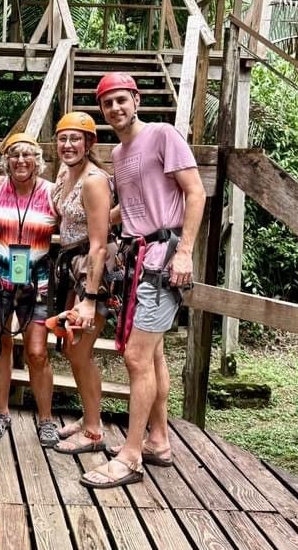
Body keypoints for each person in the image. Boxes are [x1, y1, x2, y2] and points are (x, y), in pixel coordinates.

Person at [80, 72, 205, 489]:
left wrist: (184, 251)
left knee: (135, 357)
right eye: (107, 103)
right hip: (137, 258)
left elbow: (195, 192)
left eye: (121, 100)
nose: (115, 108)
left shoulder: (163, 135)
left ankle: (130, 456)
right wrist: (90, 226)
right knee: (152, 356)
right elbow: (131, 208)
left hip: (164, 260)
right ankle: (158, 440)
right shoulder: (118, 154)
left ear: (136, 100)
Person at [0, 133, 59, 445]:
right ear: (6, 160)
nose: (21, 160)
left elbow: (76, 222)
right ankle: (1, 411)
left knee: (37, 351)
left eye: (27, 155)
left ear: (37, 160)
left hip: (36, 279)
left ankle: (47, 418)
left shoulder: (52, 192)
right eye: (14, 155)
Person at [50, 112, 113, 456]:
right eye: (63, 138)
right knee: (74, 350)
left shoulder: (93, 180)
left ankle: (93, 430)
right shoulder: (65, 175)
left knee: (80, 350)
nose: (68, 145)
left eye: (76, 139)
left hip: (92, 272)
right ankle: (90, 418)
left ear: (90, 143)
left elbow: (100, 243)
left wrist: (89, 297)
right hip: (72, 268)